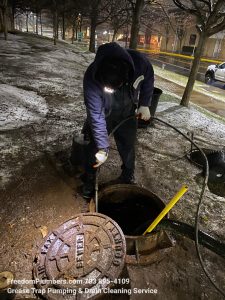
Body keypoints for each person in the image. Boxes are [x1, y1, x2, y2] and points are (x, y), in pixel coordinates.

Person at [81, 42, 154, 198]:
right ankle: (89, 181)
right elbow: (95, 114)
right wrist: (103, 147)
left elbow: (148, 79)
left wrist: (145, 104)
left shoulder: (140, 64)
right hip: (104, 113)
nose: (113, 90)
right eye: (109, 87)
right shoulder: (92, 78)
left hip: (128, 112)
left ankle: (127, 175)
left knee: (128, 145)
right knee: (95, 147)